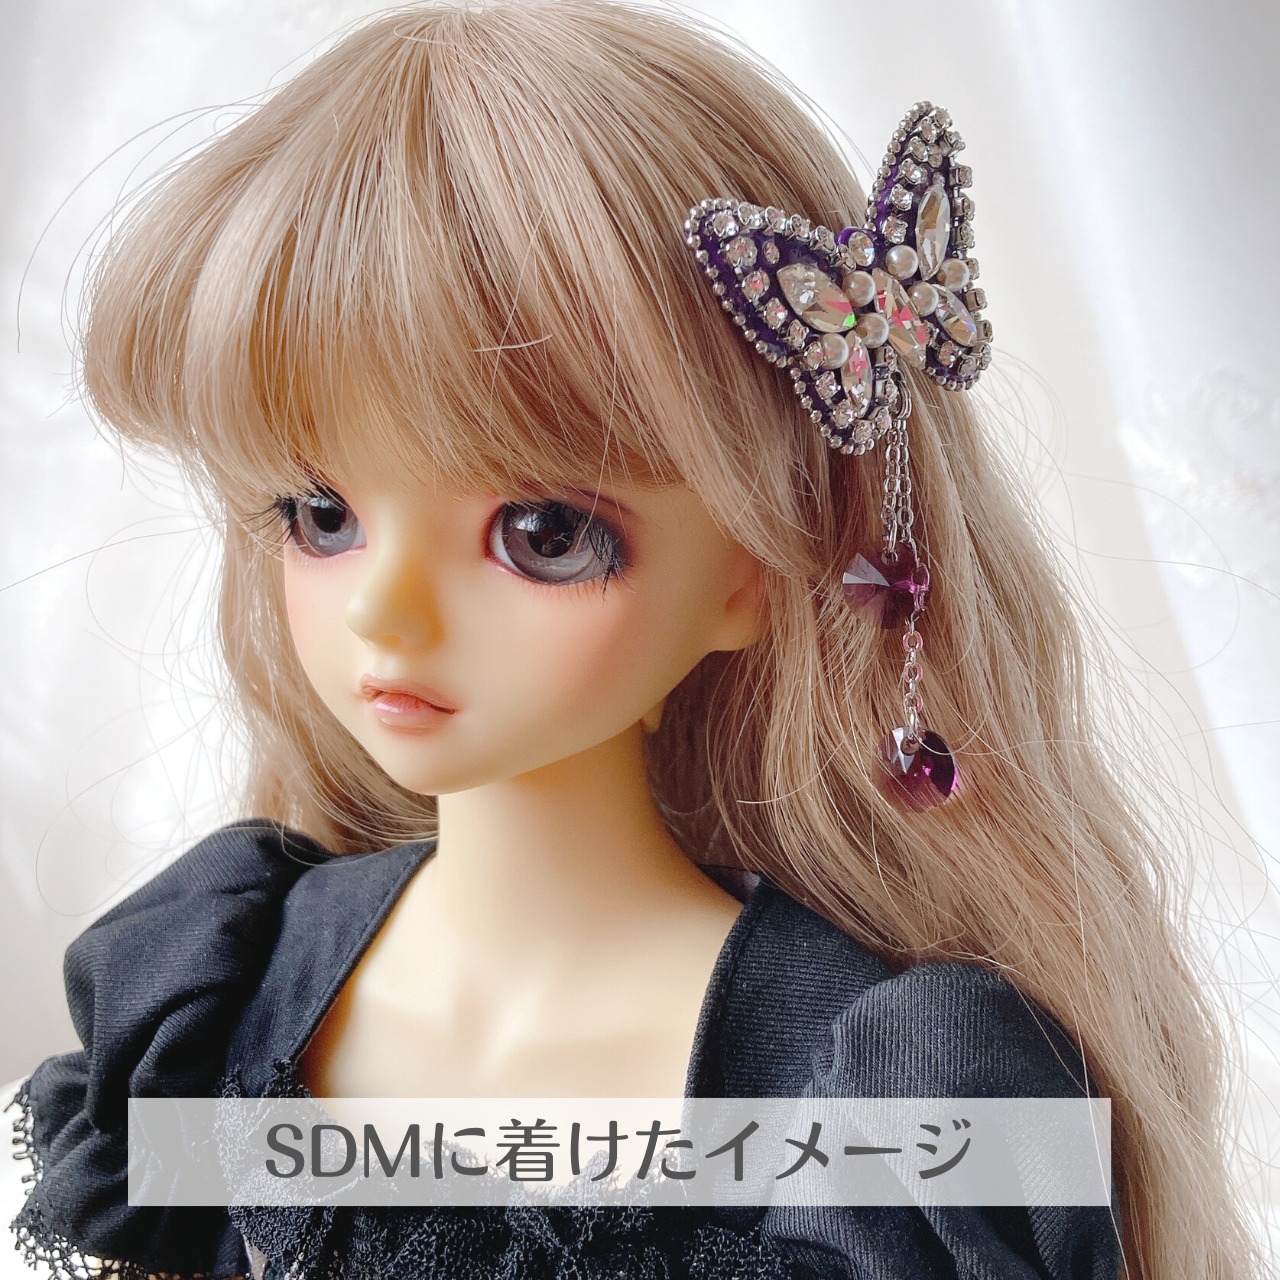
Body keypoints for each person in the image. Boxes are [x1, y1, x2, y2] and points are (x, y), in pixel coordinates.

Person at [7, 1, 1259, 1276]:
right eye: (322, 515)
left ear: (761, 566)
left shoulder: (890, 1099)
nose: (386, 611)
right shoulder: (213, 987)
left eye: (544, 533)